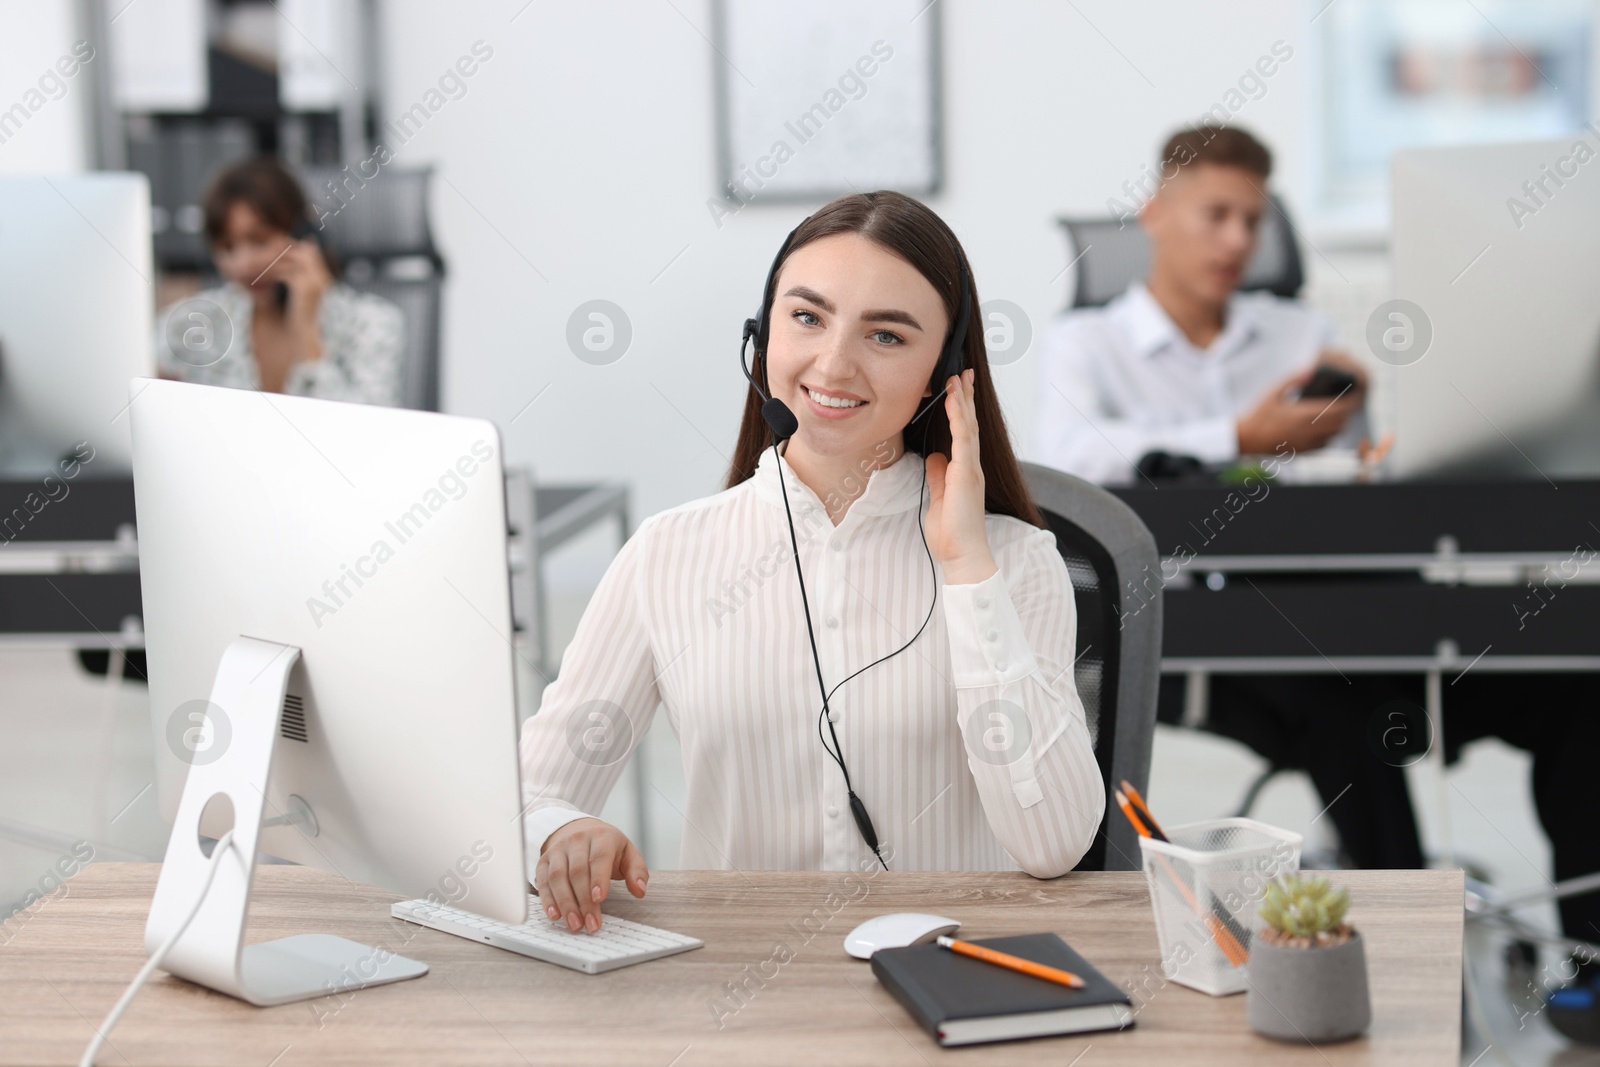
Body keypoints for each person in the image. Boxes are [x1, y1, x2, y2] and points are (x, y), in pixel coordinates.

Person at [520, 190, 1105, 934]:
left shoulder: (1015, 564)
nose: (834, 363)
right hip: (738, 994)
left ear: (944, 373)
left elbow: (1053, 844)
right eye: (806, 317)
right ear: (762, 336)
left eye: (887, 336)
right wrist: (560, 833)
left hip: (957, 990)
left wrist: (967, 572)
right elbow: (525, 792)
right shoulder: (668, 555)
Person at [1032, 123, 1381, 486]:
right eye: (1216, 216)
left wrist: (1352, 411)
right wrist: (1239, 438)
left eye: (1253, 221)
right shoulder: (1084, 340)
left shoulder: (1306, 332)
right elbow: (1064, 459)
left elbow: (1363, 475)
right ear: (1154, 216)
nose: (1238, 241)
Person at [155, 156, 404, 405]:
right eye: (227, 248)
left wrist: (307, 330)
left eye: (259, 241)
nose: (242, 264)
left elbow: (361, 433)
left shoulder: (372, 324)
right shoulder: (201, 320)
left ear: (302, 233)